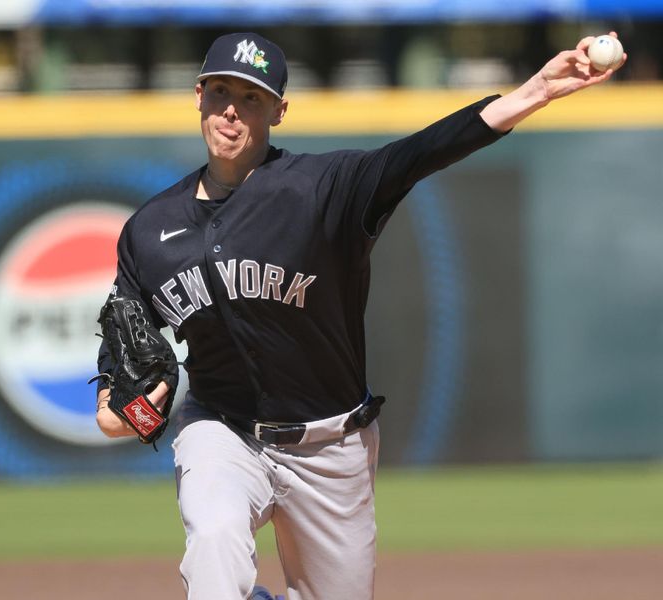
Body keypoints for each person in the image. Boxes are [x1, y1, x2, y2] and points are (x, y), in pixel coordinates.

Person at [95, 31, 625, 600]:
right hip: (222, 432)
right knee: (215, 540)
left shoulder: (326, 189)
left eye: (251, 97)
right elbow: (116, 387)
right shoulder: (149, 232)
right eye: (221, 91)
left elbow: (424, 151)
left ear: (279, 109)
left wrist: (538, 89)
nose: (231, 109)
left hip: (331, 447)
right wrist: (128, 412)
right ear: (198, 94)